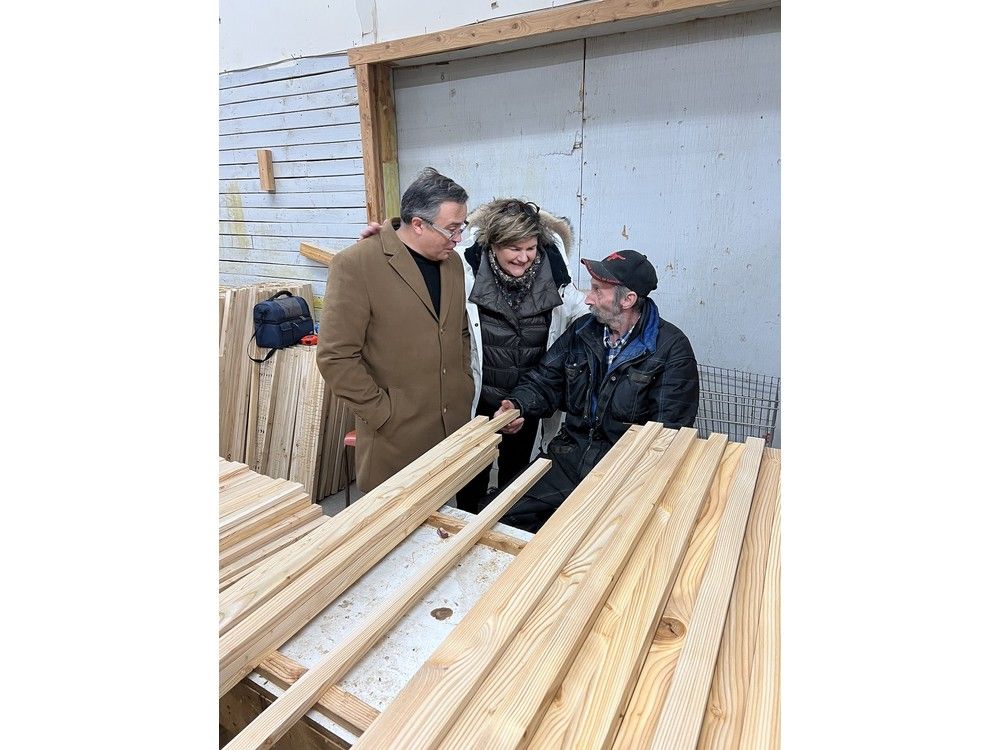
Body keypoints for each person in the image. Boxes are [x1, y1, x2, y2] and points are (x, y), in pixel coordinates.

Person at [494, 249, 699, 532]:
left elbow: (667, 433)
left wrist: (632, 487)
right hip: (569, 457)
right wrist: (518, 405)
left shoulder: (671, 349)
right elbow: (545, 379)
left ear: (627, 300)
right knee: (498, 515)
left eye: (597, 290)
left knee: (593, 540)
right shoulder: (583, 331)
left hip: (625, 472)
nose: (588, 299)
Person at [316, 167, 475, 493]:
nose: (458, 239)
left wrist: (464, 383)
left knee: (442, 512)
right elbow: (336, 357)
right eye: (451, 229)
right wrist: (382, 413)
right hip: (395, 437)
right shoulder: (357, 264)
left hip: (451, 427)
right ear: (418, 224)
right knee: (397, 518)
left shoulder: (453, 264)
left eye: (462, 227)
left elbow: (459, 330)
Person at [453, 198, 589, 513]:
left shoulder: (555, 276)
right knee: (471, 475)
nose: (524, 257)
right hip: (481, 400)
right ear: (493, 244)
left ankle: (504, 524)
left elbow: (582, 309)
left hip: (527, 400)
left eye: (530, 248)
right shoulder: (467, 272)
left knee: (516, 479)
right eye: (514, 248)